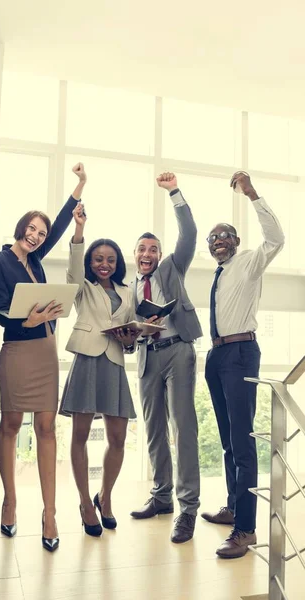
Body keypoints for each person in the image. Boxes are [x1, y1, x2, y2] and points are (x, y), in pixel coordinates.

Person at [0, 163, 87, 552]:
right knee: (11, 424)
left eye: (41, 233)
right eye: (32, 228)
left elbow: (61, 226)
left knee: (47, 428)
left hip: (45, 352)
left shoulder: (37, 262)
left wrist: (79, 188)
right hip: (16, 350)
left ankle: (50, 513)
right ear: (20, 227)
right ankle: (10, 501)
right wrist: (23, 318)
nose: (37, 235)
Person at [201, 171, 284, 558]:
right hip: (217, 355)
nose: (219, 241)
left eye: (225, 235)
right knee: (227, 439)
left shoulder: (250, 262)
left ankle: (246, 529)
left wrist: (252, 194)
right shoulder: (220, 274)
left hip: (240, 353)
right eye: (213, 238)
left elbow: (276, 239)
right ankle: (234, 505)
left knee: (243, 442)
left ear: (236, 241)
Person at [130, 172, 202, 544]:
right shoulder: (128, 288)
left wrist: (173, 191)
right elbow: (124, 330)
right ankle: (160, 498)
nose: (147, 254)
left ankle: (187, 508)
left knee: (183, 427)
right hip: (146, 356)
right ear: (135, 255)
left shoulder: (172, 268)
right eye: (142, 249)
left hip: (177, 352)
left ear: (159, 255)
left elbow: (188, 234)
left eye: (152, 249)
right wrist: (134, 329)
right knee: (154, 430)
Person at [59, 203, 138, 537]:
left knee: (117, 438)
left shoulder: (127, 291)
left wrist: (131, 337)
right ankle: (84, 503)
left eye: (110, 260)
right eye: (98, 259)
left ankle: (105, 496)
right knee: (79, 437)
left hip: (115, 363)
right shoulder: (83, 287)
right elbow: (74, 269)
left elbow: (131, 337)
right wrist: (78, 230)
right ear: (91, 262)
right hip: (88, 361)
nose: (104, 264)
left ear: (117, 263)